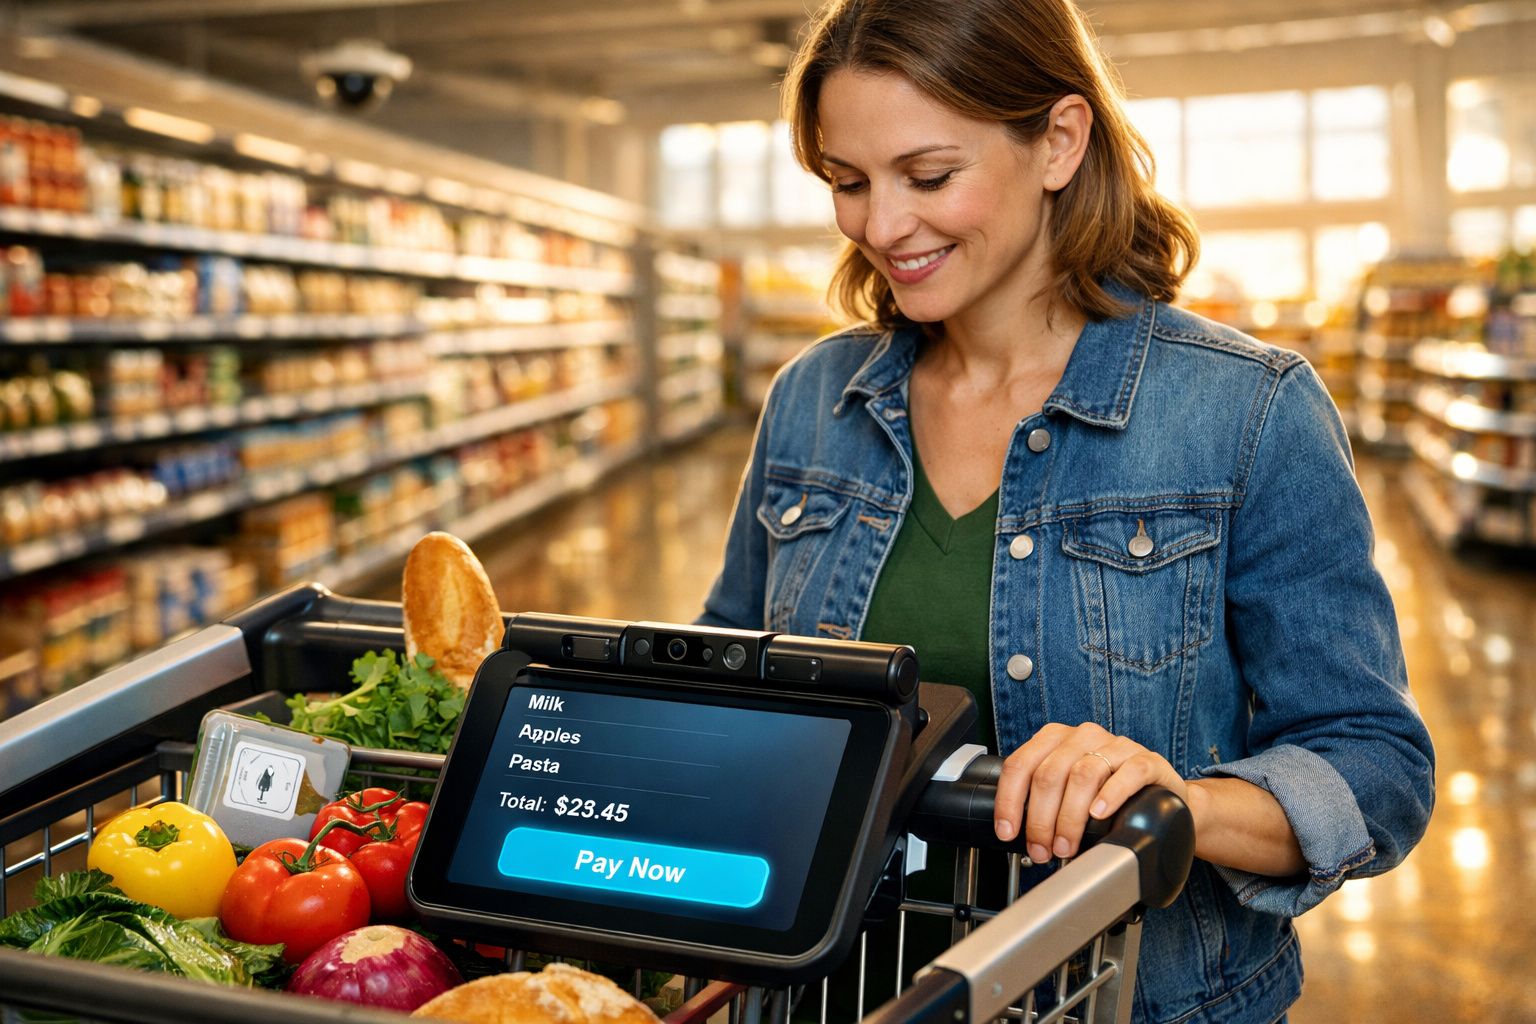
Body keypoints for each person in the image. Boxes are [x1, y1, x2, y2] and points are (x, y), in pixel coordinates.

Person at [697, 0, 1436, 1021]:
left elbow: (1376, 764)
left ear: (1057, 140)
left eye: (928, 176)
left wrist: (1179, 802)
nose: (880, 226)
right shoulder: (816, 402)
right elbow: (725, 672)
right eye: (847, 183)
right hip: (836, 992)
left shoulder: (1245, 411)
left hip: (1138, 996)